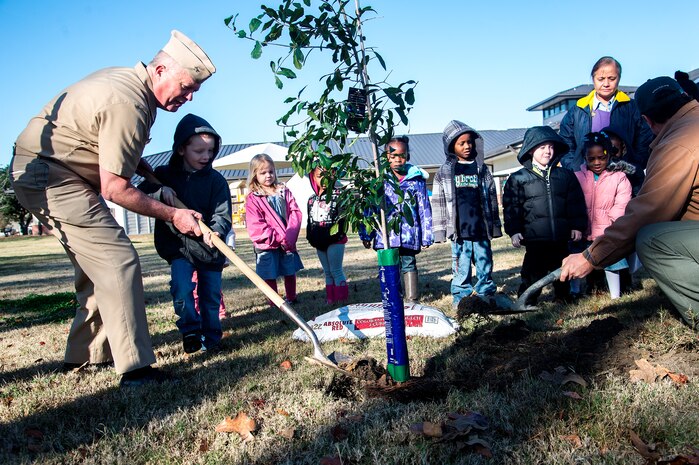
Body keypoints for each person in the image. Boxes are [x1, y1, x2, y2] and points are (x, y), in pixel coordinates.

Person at [9, 30, 216, 387]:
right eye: (185, 85)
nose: (190, 95)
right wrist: (174, 215)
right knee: (118, 259)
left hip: (49, 171)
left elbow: (107, 147)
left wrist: (148, 173)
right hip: (52, 176)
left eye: (194, 89)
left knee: (97, 270)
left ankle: (86, 357)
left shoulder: (127, 85)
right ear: (162, 69)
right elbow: (115, 189)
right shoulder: (130, 102)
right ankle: (135, 370)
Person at [561, 76, 699, 328]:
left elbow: (649, 211)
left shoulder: (679, 142)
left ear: (647, 121)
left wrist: (591, 257)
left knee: (651, 238)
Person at [139, 114, 231, 354]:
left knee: (210, 298)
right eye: (199, 150)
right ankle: (190, 330)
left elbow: (222, 214)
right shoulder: (163, 175)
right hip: (179, 248)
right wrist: (161, 192)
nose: (206, 156)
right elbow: (141, 195)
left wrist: (217, 232)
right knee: (182, 288)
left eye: (210, 151)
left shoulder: (216, 181)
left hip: (210, 249)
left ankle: (212, 339)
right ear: (181, 149)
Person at [503, 126, 587, 305]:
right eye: (542, 147)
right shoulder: (518, 178)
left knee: (562, 270)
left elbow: (575, 202)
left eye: (550, 147)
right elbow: (512, 207)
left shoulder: (565, 176)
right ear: (531, 149)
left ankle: (562, 297)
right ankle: (527, 301)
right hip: (534, 240)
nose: (547, 151)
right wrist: (514, 231)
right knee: (532, 272)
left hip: (560, 237)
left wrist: (577, 226)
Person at [432, 121, 502, 307]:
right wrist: (439, 231)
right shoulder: (445, 172)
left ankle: (485, 295)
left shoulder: (482, 169)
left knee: (484, 265)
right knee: (461, 269)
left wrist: (494, 226)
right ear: (451, 147)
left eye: (469, 142)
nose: (467, 146)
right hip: (460, 234)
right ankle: (461, 298)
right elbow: (438, 202)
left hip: (480, 230)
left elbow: (492, 198)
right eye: (461, 143)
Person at [359, 136, 433, 304]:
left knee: (409, 264)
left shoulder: (416, 180)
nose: (398, 160)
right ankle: (392, 299)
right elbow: (370, 209)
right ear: (386, 157)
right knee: (389, 267)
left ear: (408, 156)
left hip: (409, 235)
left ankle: (412, 299)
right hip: (386, 235)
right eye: (393, 156)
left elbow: (424, 208)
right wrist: (366, 233)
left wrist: (426, 235)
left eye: (402, 155)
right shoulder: (379, 180)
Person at [559, 56, 654, 173]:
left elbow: (645, 139)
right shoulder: (578, 110)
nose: (606, 83)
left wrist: (635, 166)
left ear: (619, 78)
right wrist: (575, 169)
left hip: (626, 179)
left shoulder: (632, 107)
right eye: (601, 79)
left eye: (611, 78)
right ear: (593, 79)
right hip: (585, 181)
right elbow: (565, 143)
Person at [572, 132, 632, 299]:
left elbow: (622, 203)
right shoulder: (577, 177)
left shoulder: (619, 177)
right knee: (578, 257)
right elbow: (573, 201)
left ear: (609, 155)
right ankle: (575, 291)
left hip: (607, 229)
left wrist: (614, 223)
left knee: (612, 262)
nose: (597, 162)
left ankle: (615, 294)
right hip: (583, 230)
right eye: (591, 159)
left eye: (601, 157)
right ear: (585, 157)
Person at [245, 153, 303, 304]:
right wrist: (277, 237)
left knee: (289, 269)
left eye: (271, 171)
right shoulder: (254, 198)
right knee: (269, 272)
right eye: (263, 173)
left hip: (287, 241)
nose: (268, 176)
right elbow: (256, 224)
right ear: (254, 174)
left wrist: (290, 235)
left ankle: (292, 297)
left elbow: (295, 212)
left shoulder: (283, 191)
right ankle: (275, 302)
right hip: (268, 243)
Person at [306, 164, 349, 305]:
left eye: (327, 176)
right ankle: (330, 299)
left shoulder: (339, 196)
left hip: (335, 241)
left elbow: (343, 220)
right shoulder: (312, 200)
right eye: (319, 176)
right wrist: (311, 238)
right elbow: (310, 220)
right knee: (327, 272)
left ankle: (342, 301)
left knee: (336, 270)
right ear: (313, 177)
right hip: (319, 242)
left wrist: (335, 236)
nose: (324, 180)